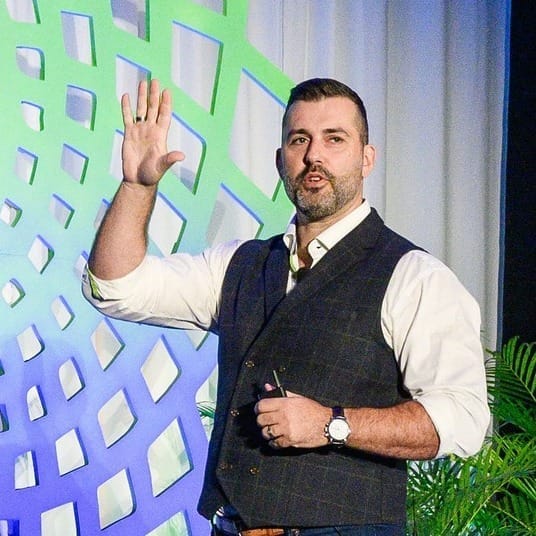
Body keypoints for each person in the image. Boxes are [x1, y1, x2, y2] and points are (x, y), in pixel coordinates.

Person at [82, 78, 490, 536]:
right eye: (300, 140)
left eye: (335, 139)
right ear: (280, 160)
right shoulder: (239, 265)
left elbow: (464, 418)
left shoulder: (413, 275)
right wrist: (137, 187)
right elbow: (114, 288)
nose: (314, 156)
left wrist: (332, 425)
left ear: (366, 158)